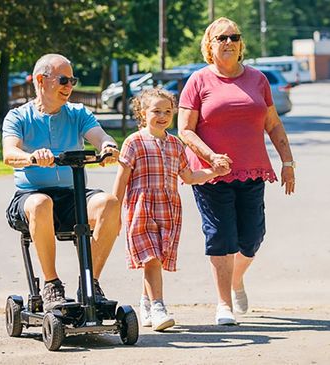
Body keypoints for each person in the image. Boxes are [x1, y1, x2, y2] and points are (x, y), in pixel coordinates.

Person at [178, 17, 296, 325]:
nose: (228, 42)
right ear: (210, 45)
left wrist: (287, 162)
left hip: (253, 171)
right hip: (211, 175)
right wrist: (211, 156)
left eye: (234, 36)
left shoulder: (257, 79)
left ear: (241, 44)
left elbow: (273, 124)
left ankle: (236, 279)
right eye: (221, 38)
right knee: (221, 237)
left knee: (252, 238)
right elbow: (185, 131)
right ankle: (223, 304)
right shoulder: (198, 81)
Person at [2, 53, 120, 311]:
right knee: (41, 203)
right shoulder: (18, 117)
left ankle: (90, 283)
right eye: (64, 80)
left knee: (109, 203)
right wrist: (31, 157)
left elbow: (100, 136)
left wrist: (108, 146)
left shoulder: (78, 113)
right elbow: (9, 153)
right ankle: (51, 284)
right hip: (29, 198)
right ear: (41, 80)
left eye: (73, 80)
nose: (70, 86)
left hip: (71, 195)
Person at [112, 88, 231, 331]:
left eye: (168, 111)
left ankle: (145, 303)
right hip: (141, 209)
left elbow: (188, 176)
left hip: (169, 211)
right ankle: (158, 307)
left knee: (154, 260)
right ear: (143, 113)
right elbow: (121, 181)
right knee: (151, 258)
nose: (163, 116)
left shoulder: (176, 145)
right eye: (156, 111)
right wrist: (114, 215)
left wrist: (213, 172)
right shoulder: (133, 142)